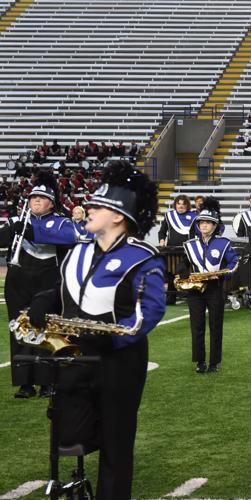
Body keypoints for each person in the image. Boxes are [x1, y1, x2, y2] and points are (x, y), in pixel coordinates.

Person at [27, 159, 166, 499]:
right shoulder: (76, 253)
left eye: (96, 206)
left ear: (118, 216)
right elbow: (64, 292)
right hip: (74, 358)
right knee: (69, 433)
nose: (85, 208)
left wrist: (108, 337)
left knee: (116, 441)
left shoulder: (143, 258)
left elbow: (148, 313)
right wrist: (44, 302)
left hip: (119, 361)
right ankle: (78, 484)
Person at [0, 170, 68, 398]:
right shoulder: (16, 221)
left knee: (45, 329)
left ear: (51, 203)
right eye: (32, 198)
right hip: (18, 282)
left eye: (41, 198)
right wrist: (10, 232)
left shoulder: (61, 222)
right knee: (19, 329)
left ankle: (48, 381)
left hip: (47, 282)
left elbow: (67, 239)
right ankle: (24, 382)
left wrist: (30, 232)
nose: (36, 201)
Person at [178, 198, 238, 374]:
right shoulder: (190, 245)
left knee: (215, 326)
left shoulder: (224, 243)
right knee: (196, 326)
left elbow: (234, 262)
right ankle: (200, 361)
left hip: (214, 288)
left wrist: (225, 274)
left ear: (214, 225)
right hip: (195, 290)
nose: (204, 225)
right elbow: (183, 264)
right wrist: (184, 274)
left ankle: (214, 362)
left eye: (208, 223)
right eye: (201, 222)